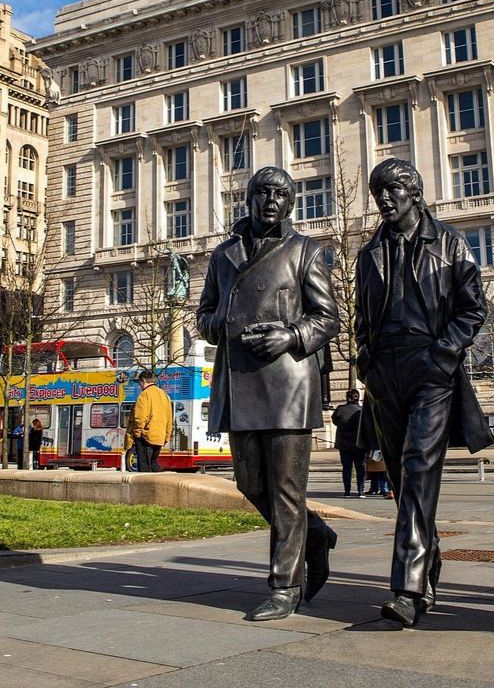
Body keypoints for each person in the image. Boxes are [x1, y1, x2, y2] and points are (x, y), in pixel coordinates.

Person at [198, 166, 340, 621]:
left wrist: (290, 336)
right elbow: (203, 315)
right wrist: (220, 322)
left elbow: (327, 318)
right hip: (239, 382)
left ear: (291, 203)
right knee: (249, 483)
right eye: (262, 193)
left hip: (287, 384)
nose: (271, 201)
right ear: (249, 199)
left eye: (280, 194)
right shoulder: (223, 256)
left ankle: (285, 586)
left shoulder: (307, 252)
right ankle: (313, 533)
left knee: (285, 489)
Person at [355, 159, 491, 627]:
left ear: (414, 191)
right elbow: (361, 317)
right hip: (384, 374)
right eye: (378, 193)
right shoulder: (369, 250)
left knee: (417, 467)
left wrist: (444, 353)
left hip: (430, 366)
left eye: (392, 190)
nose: (385, 200)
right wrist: (365, 361)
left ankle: (408, 589)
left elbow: (474, 308)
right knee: (400, 477)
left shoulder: (449, 242)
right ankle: (426, 557)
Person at [128, 370, 173, 471]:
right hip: (160, 437)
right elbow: (169, 418)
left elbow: (140, 417)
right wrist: (166, 436)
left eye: (140, 384)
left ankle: (144, 487)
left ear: (143, 381)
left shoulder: (144, 395)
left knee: (144, 468)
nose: (140, 387)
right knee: (153, 463)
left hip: (146, 436)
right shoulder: (165, 395)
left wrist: (137, 433)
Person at [331, 389, 365, 498]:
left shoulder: (340, 409)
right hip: (359, 443)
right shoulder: (361, 410)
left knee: (346, 468)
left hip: (344, 444)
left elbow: (335, 421)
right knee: (360, 468)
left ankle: (347, 491)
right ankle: (361, 490)